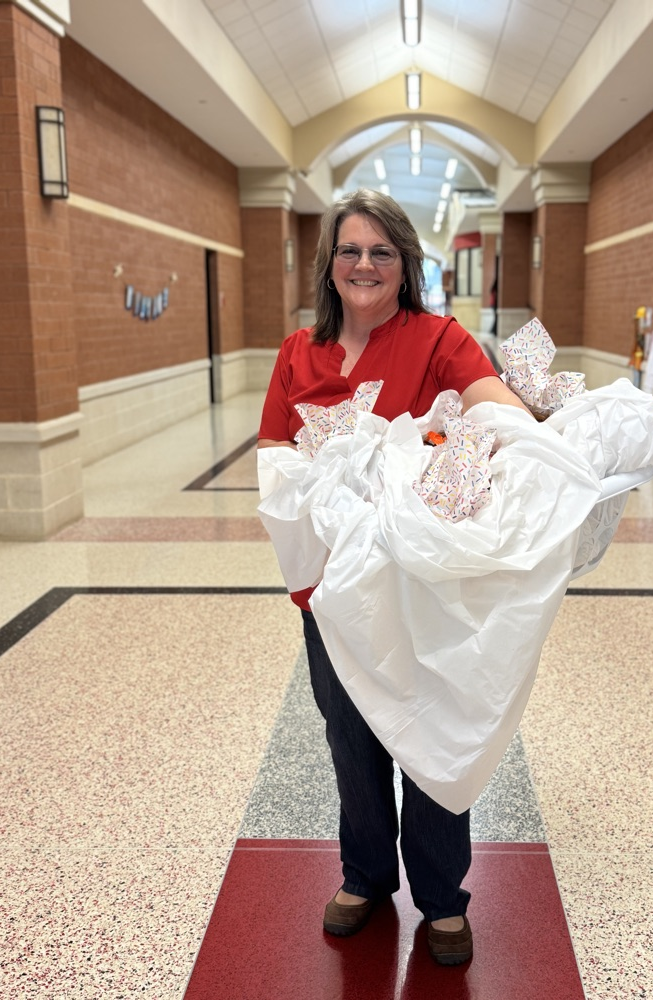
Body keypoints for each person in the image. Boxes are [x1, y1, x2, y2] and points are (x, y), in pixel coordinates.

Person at [258, 189, 532, 966]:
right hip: (331, 592)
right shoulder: (296, 355)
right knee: (351, 739)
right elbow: (276, 464)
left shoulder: (437, 338)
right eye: (351, 250)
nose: (366, 264)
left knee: (431, 733)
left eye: (383, 251)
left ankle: (442, 897)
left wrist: (539, 443)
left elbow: (490, 406)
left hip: (420, 589)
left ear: (405, 263)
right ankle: (367, 876)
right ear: (330, 263)